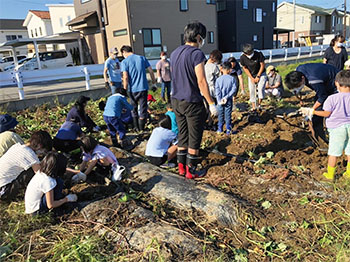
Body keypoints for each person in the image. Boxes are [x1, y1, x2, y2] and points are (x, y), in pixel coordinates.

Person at [170, 22, 218, 179]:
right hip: (192, 101)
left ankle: (181, 168)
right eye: (202, 38)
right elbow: (201, 81)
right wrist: (211, 103)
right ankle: (192, 170)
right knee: (194, 137)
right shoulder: (196, 54)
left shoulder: (175, 52)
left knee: (182, 135)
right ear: (198, 37)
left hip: (176, 100)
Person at [300, 70, 350, 180]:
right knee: (349, 150)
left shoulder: (332, 98)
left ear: (336, 83)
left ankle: (330, 175)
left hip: (337, 128)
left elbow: (326, 113)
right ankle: (349, 173)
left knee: (334, 152)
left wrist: (312, 111)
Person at [285, 63, 339, 146]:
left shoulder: (314, 80)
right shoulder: (299, 69)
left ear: (303, 79)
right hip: (324, 82)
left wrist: (311, 110)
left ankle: (336, 139)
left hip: (335, 85)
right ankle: (320, 140)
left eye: (298, 86)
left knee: (332, 112)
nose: (298, 87)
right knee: (316, 113)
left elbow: (322, 96)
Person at [0, 131, 52, 201]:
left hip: (2, 184)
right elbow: (41, 174)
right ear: (39, 146)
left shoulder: (17, 146)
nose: (42, 153)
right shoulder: (29, 154)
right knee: (34, 173)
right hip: (4, 190)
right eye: (44, 151)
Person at [120, 45, 156, 132]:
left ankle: (135, 127)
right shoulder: (142, 58)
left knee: (133, 108)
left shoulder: (125, 62)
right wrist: (154, 83)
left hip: (132, 89)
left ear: (124, 52)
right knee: (143, 108)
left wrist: (124, 89)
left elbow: (125, 77)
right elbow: (151, 71)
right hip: (143, 88)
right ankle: (142, 128)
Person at [240, 43, 267, 111]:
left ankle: (259, 105)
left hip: (261, 73)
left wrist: (258, 76)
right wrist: (251, 77)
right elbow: (245, 68)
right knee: (252, 90)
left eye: (249, 53)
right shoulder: (243, 57)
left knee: (260, 88)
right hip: (251, 74)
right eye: (246, 54)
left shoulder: (258, 54)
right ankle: (254, 107)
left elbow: (262, 65)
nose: (248, 55)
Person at [215, 61, 237, 134]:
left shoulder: (218, 80)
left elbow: (217, 91)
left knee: (220, 115)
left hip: (220, 101)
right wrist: (226, 97)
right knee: (228, 115)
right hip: (228, 100)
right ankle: (228, 129)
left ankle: (220, 129)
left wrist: (219, 100)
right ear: (229, 70)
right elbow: (234, 89)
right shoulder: (232, 79)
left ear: (222, 69)